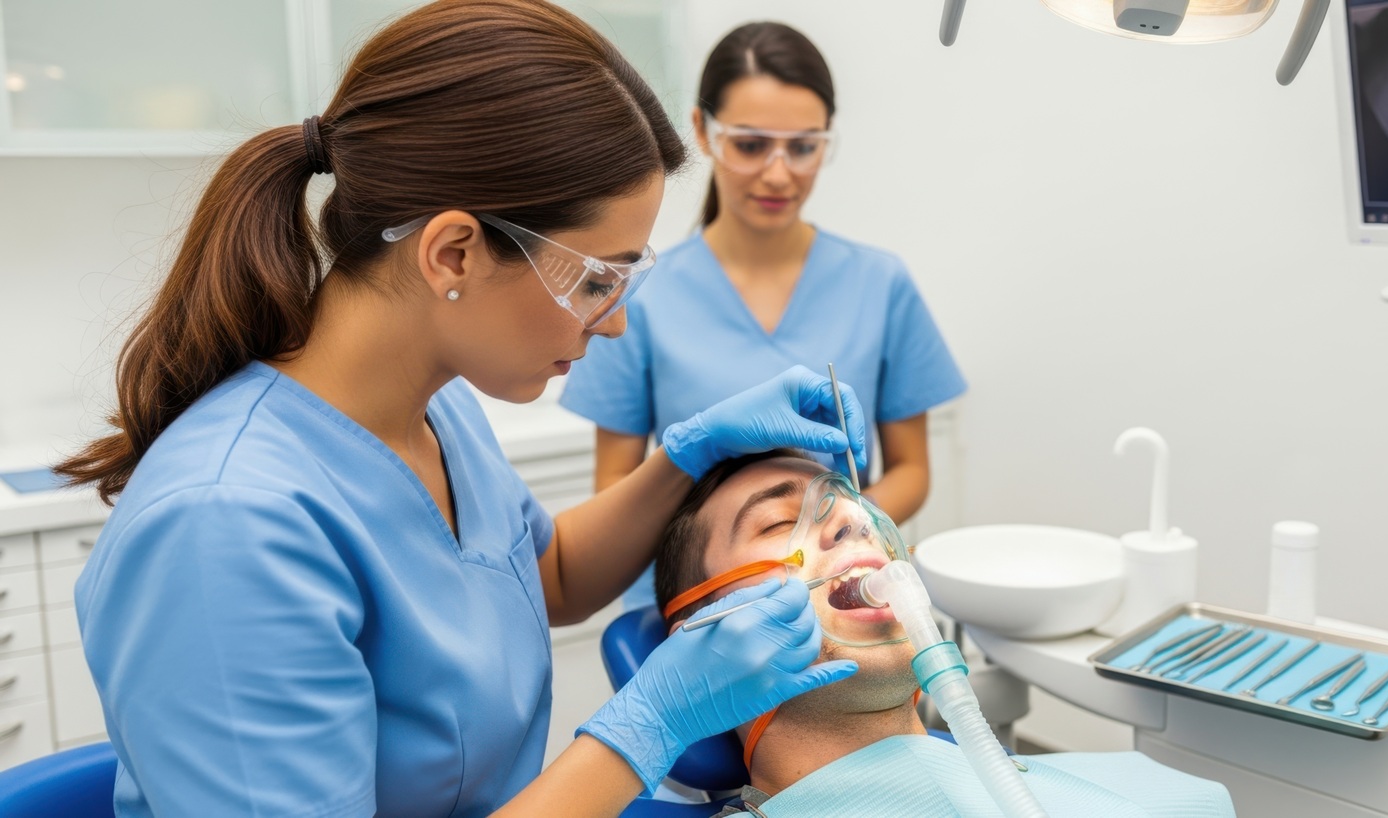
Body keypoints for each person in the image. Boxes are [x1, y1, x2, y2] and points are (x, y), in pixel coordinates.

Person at [55, 2, 869, 816]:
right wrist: (650, 724)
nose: (615, 320)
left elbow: (543, 579)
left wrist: (690, 454)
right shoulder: (225, 528)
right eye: (596, 280)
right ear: (453, 252)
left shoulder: (434, 412)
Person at [561, 21, 967, 610]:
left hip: (844, 590)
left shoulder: (879, 283)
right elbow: (615, 491)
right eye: (751, 145)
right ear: (702, 131)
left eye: (803, 147)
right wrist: (748, 565)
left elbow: (911, 469)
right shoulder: (640, 294)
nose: (779, 174)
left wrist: (830, 543)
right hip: (703, 601)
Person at [652, 452, 1239, 817]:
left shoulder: (1156, 793)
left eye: (856, 511)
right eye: (780, 522)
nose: (853, 525)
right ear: (701, 637)